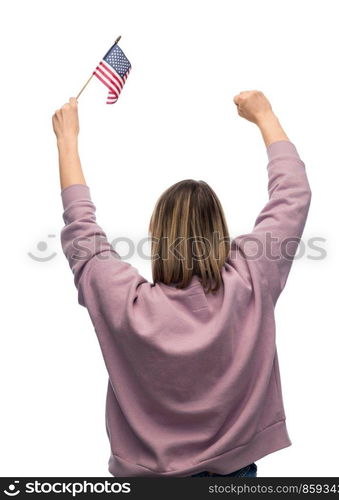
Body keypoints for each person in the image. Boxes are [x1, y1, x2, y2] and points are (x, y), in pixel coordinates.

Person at [52, 90, 311, 477]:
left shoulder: (124, 300)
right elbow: (293, 194)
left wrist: (66, 140)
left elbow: (81, 227)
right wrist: (265, 115)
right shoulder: (252, 277)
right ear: (219, 232)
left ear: (156, 234)